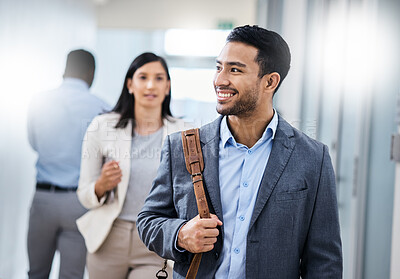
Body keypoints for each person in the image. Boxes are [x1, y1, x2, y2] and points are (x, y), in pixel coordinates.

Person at [137, 25, 343, 278]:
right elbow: (148, 221)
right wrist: (180, 235)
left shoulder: (312, 158)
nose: (220, 80)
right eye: (218, 67)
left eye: (234, 70)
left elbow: (324, 261)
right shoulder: (182, 147)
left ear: (270, 81)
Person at [76, 52, 184, 278]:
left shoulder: (182, 133)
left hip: (155, 241)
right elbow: (84, 193)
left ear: (168, 86)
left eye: (159, 78)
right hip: (108, 239)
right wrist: (101, 185)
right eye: (143, 77)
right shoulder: (102, 126)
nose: (151, 85)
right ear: (130, 84)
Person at [27, 49, 109, 278]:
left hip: (43, 199)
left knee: (36, 273)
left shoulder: (39, 100)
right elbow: (107, 156)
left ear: (65, 69)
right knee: (72, 276)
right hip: (79, 203)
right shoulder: (102, 108)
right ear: (91, 73)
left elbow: (34, 143)